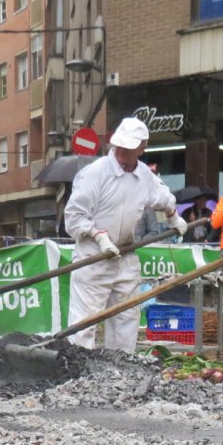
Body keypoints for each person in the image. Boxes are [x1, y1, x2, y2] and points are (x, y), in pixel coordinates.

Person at [63, 116, 185, 351]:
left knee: (126, 319)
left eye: (128, 148)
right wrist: (98, 235)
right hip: (93, 257)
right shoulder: (95, 174)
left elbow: (160, 197)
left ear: (141, 148)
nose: (121, 152)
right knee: (84, 322)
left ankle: (121, 371)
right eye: (119, 146)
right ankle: (76, 372)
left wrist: (173, 216)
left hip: (126, 254)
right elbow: (74, 217)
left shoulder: (144, 176)